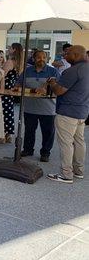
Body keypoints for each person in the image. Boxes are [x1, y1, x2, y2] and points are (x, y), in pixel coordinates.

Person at [46, 45, 88, 183]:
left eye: (67, 53)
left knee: (66, 143)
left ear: (75, 55)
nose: (64, 56)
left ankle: (66, 174)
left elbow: (59, 91)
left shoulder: (72, 71)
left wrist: (52, 83)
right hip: (82, 112)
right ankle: (79, 171)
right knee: (79, 142)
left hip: (68, 112)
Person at [15, 50, 60, 162]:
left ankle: (45, 153)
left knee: (48, 133)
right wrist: (34, 90)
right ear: (34, 58)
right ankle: (28, 150)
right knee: (29, 131)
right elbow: (17, 86)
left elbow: (59, 89)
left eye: (44, 57)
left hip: (48, 109)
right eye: (39, 57)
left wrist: (49, 88)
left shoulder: (53, 72)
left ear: (47, 59)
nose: (41, 59)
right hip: (30, 108)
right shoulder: (27, 71)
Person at [2, 43, 24, 143]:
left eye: (10, 48)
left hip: (4, 89)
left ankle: (3, 134)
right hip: (11, 89)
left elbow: (2, 76)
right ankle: (8, 134)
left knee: (2, 112)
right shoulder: (20, 63)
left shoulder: (9, 62)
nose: (8, 49)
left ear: (14, 49)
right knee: (8, 111)